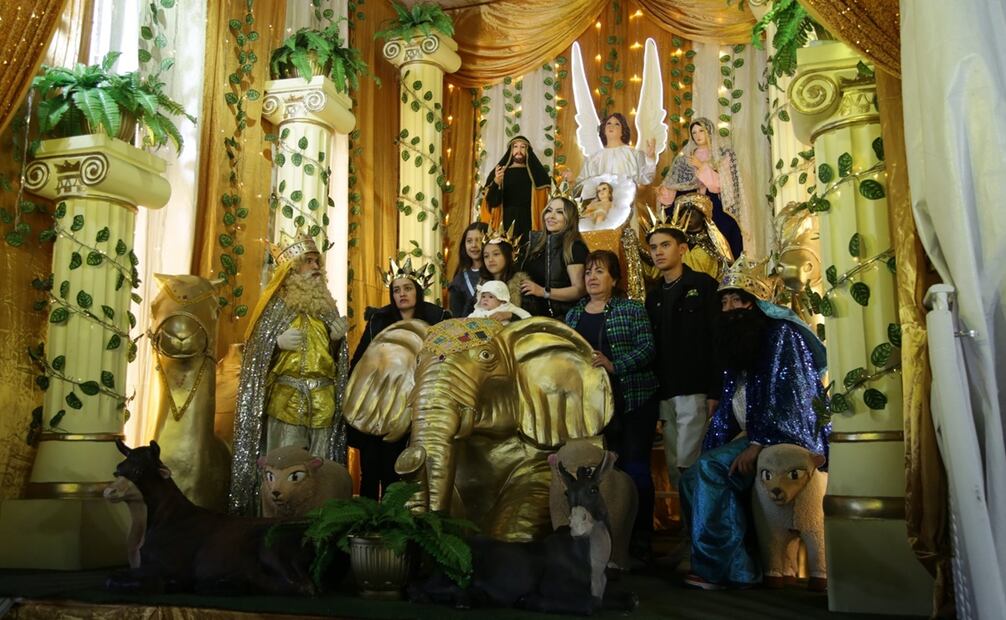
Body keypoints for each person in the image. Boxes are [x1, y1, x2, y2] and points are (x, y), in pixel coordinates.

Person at [679, 255, 829, 590]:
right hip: (754, 432)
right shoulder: (739, 338)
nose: (730, 307)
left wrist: (759, 442)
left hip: (782, 433)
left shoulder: (782, 335)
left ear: (756, 302)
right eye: (726, 300)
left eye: (738, 299)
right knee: (691, 477)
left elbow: (792, 395)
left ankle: (714, 569)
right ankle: (737, 565)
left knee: (711, 469)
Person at [229, 233, 349, 515]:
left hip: (323, 401)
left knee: (320, 469)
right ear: (291, 268)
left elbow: (333, 359)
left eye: (316, 261)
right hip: (286, 401)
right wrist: (274, 342)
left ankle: (320, 526)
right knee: (283, 465)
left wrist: (336, 340)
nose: (315, 266)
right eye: (307, 261)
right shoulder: (275, 306)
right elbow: (255, 352)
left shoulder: (326, 307)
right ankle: (276, 527)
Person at [565, 250, 659, 564]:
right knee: (602, 472)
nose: (591, 277)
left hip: (632, 400)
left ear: (614, 278)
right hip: (593, 408)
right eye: (588, 271)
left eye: (600, 271)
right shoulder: (574, 314)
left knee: (635, 469)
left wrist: (613, 364)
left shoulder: (631, 309)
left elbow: (647, 348)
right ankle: (606, 537)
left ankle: (641, 536)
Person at [349, 259, 450, 499]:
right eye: (396, 289)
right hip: (378, 404)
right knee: (371, 471)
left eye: (407, 288)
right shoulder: (378, 321)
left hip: (414, 406)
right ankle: (367, 525)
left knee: (401, 473)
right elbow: (360, 362)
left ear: (418, 291)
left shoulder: (438, 319)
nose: (402, 294)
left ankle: (397, 527)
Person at [642, 207, 721, 491]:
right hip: (665, 389)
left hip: (695, 387)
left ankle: (699, 531)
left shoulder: (703, 286)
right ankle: (687, 528)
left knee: (691, 462)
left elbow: (716, 339)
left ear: (683, 248)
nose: (658, 252)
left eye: (665, 245)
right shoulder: (653, 298)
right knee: (675, 465)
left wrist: (715, 389)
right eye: (653, 247)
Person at [659, 117, 746, 259]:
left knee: (723, 233)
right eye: (694, 133)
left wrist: (701, 166)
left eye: (701, 131)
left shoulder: (723, 155)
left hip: (714, 205)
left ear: (709, 132)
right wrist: (664, 191)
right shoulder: (685, 158)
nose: (698, 135)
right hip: (693, 210)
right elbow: (677, 183)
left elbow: (722, 185)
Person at [518, 196, 588, 318]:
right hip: (530, 316)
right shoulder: (534, 245)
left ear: (570, 219)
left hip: (561, 320)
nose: (551, 216)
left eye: (559, 212)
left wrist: (543, 292)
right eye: (549, 210)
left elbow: (579, 290)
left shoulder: (574, 247)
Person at [480, 135, 551, 242]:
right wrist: (496, 182)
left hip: (529, 222)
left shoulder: (537, 174)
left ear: (528, 151)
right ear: (510, 150)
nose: (519, 150)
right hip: (505, 221)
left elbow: (545, 202)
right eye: (515, 147)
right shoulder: (501, 172)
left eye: (523, 147)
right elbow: (492, 202)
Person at [674, 194, 734, 282]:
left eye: (693, 212)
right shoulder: (674, 242)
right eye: (684, 212)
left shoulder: (714, 245)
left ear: (703, 216)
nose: (688, 215)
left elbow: (725, 272)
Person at [448, 221, 488, 318]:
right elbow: (457, 317)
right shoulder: (459, 279)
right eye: (469, 241)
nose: (474, 245)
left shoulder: (496, 271)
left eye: (479, 240)